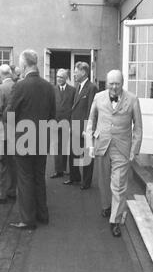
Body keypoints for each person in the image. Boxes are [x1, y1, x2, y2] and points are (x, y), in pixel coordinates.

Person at [84, 70, 143, 237]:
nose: (114, 87)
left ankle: (115, 220)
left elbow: (138, 128)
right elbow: (91, 122)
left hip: (122, 149)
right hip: (102, 145)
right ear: (107, 83)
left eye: (117, 83)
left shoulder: (132, 99)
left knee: (118, 185)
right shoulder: (98, 97)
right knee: (103, 181)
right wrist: (90, 144)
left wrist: (134, 149)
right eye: (111, 83)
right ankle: (106, 206)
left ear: (122, 83)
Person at [6, 49, 56, 230]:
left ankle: (28, 220)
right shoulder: (48, 86)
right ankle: (42, 214)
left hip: (23, 140)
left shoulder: (19, 86)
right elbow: (52, 115)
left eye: (20, 64)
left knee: (25, 179)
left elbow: (9, 115)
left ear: (25, 64)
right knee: (38, 177)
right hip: (42, 138)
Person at [64, 61, 98, 190]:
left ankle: (86, 182)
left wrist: (88, 129)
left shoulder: (92, 87)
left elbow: (92, 110)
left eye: (75, 71)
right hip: (75, 126)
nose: (73, 74)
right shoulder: (78, 86)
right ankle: (74, 177)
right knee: (73, 153)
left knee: (86, 156)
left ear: (83, 72)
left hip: (85, 128)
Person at [0, 64, 17, 203]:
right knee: (13, 161)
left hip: (2, 127)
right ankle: (12, 190)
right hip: (16, 127)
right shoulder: (17, 86)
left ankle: (0, 193)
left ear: (0, 74)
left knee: (1, 162)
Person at [50, 68, 76, 178]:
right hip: (55, 122)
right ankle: (58, 170)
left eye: (61, 77)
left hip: (67, 122)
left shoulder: (73, 90)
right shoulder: (52, 90)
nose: (59, 79)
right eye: (57, 77)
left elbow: (74, 107)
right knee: (56, 146)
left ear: (66, 78)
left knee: (65, 146)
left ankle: (65, 168)